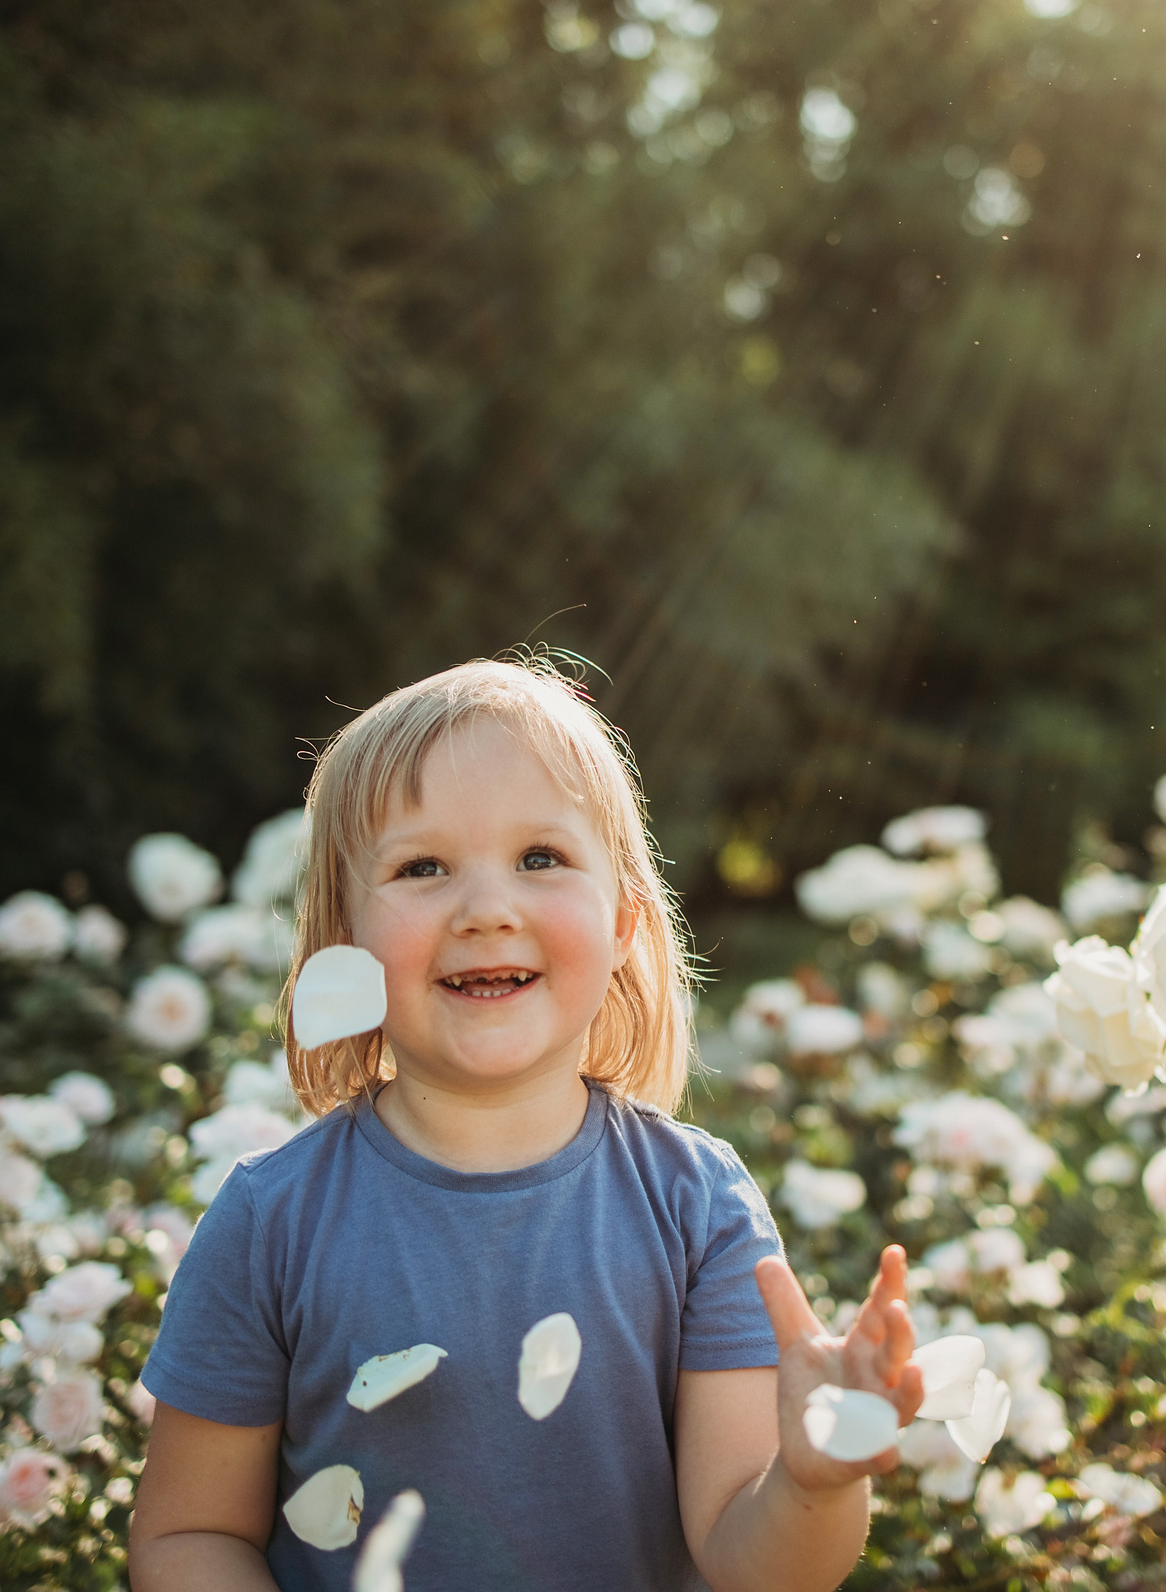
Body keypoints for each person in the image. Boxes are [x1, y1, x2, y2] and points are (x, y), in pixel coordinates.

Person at [128, 658, 924, 1592]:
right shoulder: (272, 1220)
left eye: (539, 859)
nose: (487, 910)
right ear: (342, 935)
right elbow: (188, 1535)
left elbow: (755, 1564)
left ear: (626, 919)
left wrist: (816, 1478)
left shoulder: (697, 1207)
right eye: (421, 867)